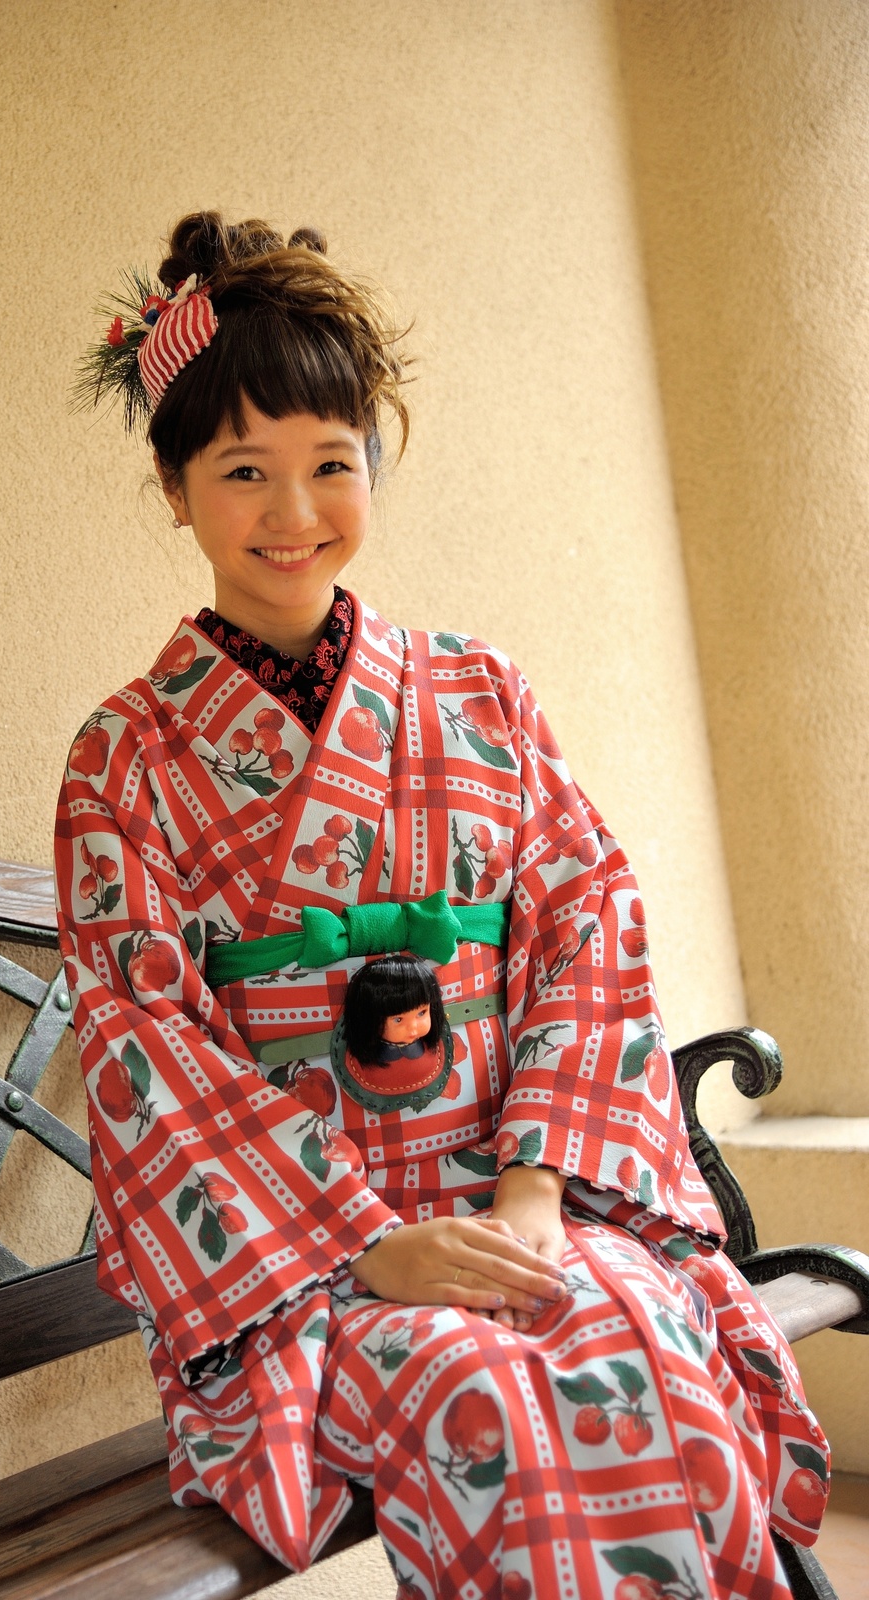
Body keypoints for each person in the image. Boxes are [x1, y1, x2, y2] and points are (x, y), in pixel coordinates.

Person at [55, 212, 828, 1599]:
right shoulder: (125, 760)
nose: (295, 515)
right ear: (174, 488)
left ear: (372, 470)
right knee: (481, 1397)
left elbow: (584, 929)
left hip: (521, 1188)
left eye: (331, 467)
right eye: (244, 470)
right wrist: (369, 1244)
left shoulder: (479, 695)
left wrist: (536, 1193)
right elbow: (142, 1050)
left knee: (637, 1330)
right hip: (308, 1259)